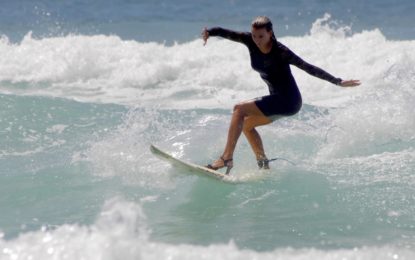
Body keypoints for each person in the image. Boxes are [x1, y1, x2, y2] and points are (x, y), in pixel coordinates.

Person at [202, 16, 360, 174]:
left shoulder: (281, 52)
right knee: (246, 125)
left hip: (289, 101)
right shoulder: (249, 40)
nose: (257, 40)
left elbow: (308, 67)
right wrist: (210, 32)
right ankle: (263, 164)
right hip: (277, 99)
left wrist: (337, 81)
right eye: (254, 35)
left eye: (261, 36)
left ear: (270, 33)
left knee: (239, 109)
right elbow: (226, 33)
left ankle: (226, 158)